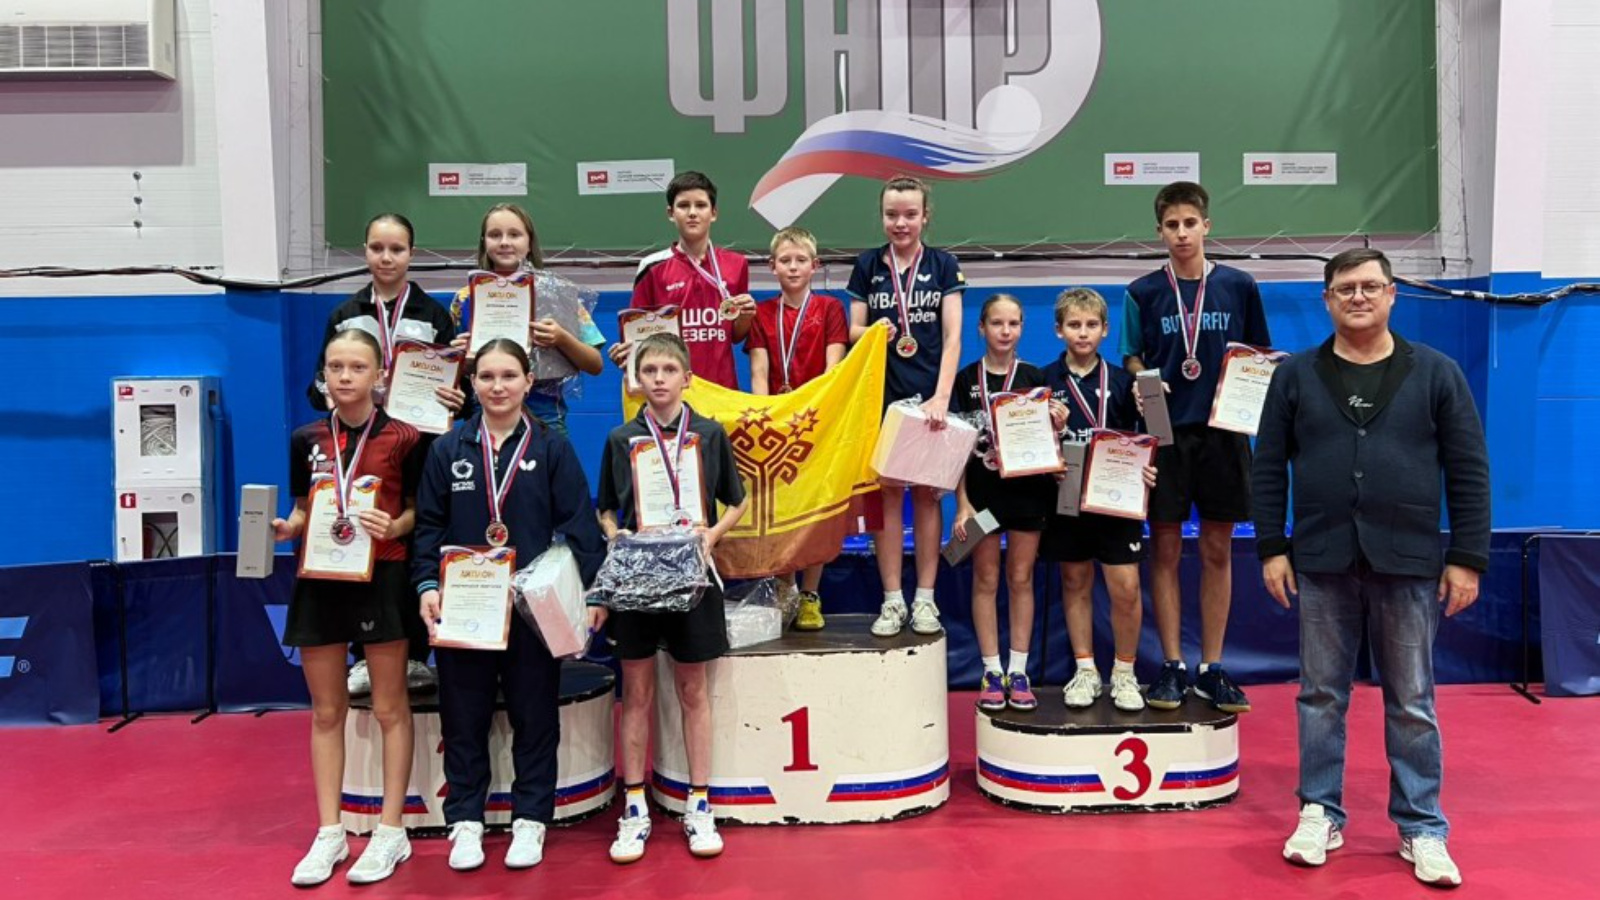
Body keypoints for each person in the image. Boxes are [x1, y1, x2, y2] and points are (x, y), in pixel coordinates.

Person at [1253, 248, 1489, 888]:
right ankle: (1319, 812)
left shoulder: (1436, 373)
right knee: (1320, 696)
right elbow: (1268, 466)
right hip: (1322, 557)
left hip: (1408, 559)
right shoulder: (1295, 376)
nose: (1358, 297)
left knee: (1412, 700)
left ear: (1392, 295)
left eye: (1370, 286)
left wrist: (1468, 557)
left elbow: (1469, 469)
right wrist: (1271, 546)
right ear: (1327, 300)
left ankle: (1422, 826)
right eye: (1345, 288)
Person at [412, 338, 608, 872]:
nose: (497, 387)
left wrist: (593, 592)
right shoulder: (447, 449)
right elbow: (428, 526)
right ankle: (465, 820)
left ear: (528, 382)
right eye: (487, 377)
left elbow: (580, 524)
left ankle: (530, 819)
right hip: (466, 606)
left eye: (508, 376)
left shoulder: (551, 448)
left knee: (534, 713)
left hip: (531, 610)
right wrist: (427, 585)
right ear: (472, 384)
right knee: (463, 716)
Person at [277, 329, 423, 886]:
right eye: (335, 366)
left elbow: (416, 512)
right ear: (323, 375)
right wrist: (288, 527)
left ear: (379, 375)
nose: (344, 376)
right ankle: (330, 832)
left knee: (389, 708)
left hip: (381, 576)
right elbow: (302, 508)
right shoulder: (306, 438)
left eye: (357, 367)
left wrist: (396, 525)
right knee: (325, 712)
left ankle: (390, 831)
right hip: (319, 579)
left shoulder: (407, 437)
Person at [596, 333, 750, 863]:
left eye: (668, 370)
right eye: (649, 370)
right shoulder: (620, 438)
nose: (658, 379)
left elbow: (737, 500)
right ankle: (635, 805)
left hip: (693, 576)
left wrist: (712, 536)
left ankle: (699, 803)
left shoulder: (709, 433)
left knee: (692, 690)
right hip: (638, 578)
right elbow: (605, 507)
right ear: (637, 380)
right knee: (636, 693)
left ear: (687, 378)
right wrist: (615, 535)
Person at [1120, 181, 1271, 712]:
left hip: (1223, 433)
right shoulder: (1142, 292)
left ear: (1207, 225)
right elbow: (1131, 356)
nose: (1181, 233)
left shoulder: (1239, 285)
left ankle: (1212, 667)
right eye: (1171, 225)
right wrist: (1143, 378)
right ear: (1159, 231)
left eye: (1190, 223)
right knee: (1164, 549)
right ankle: (1171, 665)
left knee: (1216, 549)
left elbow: (1258, 353)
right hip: (1166, 434)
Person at [312, 213, 463, 698]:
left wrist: (455, 398)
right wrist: (335, 395)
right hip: (362, 449)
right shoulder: (344, 314)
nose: (386, 257)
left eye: (396, 249)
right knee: (363, 537)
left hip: (419, 446)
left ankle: (417, 653)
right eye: (377, 248)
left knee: (417, 538)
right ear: (365, 251)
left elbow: (456, 387)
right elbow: (318, 386)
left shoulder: (434, 315)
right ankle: (362, 655)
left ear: (411, 254)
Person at [846, 175, 967, 637]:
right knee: (890, 497)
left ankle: (926, 599)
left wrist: (942, 396)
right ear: (882, 217)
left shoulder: (944, 265)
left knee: (929, 496)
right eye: (892, 214)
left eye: (910, 214)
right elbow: (852, 331)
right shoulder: (867, 265)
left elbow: (953, 337)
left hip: (931, 398)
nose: (901, 223)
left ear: (925, 217)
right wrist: (875, 331)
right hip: (885, 400)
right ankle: (893, 599)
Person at [1041, 288, 1157, 712]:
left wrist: (1150, 468)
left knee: (1125, 587)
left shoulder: (1125, 382)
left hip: (1117, 496)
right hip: (1068, 494)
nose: (1083, 332)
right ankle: (1086, 669)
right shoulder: (1043, 382)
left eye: (1091, 325)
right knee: (1075, 581)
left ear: (1106, 330)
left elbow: (1152, 437)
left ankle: (1124, 673)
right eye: (1074, 325)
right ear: (1058, 330)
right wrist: (1049, 455)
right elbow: (1030, 442)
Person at [951, 294, 1061, 711]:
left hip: (1028, 489)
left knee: (1020, 577)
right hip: (981, 492)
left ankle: (1019, 670)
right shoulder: (965, 379)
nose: (1005, 331)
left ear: (1022, 328)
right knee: (986, 578)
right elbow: (956, 450)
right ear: (981, 327)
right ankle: (991, 670)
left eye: (1013, 323)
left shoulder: (1034, 377)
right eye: (997, 323)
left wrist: (1057, 424)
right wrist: (962, 504)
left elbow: (1048, 441)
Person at [746, 225, 849, 629]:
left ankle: (809, 594)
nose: (793, 267)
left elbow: (833, 370)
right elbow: (759, 373)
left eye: (800, 260)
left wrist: (813, 413)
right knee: (783, 511)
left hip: (815, 424)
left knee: (814, 511)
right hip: (777, 426)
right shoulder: (762, 314)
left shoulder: (830, 309)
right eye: (785, 260)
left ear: (814, 265)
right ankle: (784, 589)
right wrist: (766, 418)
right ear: (772, 266)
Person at [449, 203, 606, 434]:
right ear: (484, 242)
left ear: (530, 242)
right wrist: (460, 359)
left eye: (514, 234)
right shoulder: (464, 299)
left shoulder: (558, 294)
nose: (504, 242)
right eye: (495, 235)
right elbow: (457, 375)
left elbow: (595, 365)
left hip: (545, 418)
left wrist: (561, 338)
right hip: (484, 417)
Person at [608, 171, 756, 390]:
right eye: (684, 206)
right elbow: (636, 334)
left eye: (701, 205)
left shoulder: (737, 264)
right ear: (671, 213)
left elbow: (734, 335)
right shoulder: (652, 267)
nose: (692, 213)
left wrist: (746, 318)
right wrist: (626, 353)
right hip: (670, 391)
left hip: (721, 390)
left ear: (714, 213)